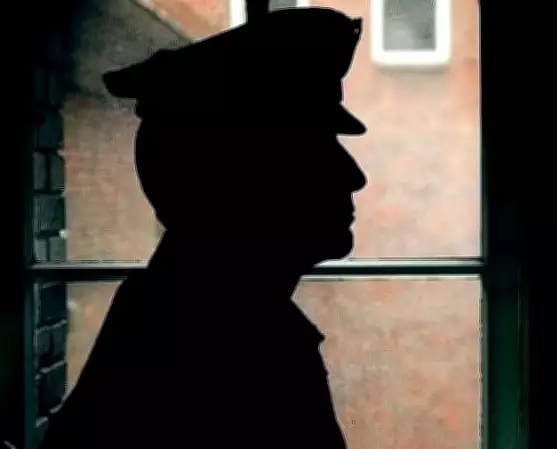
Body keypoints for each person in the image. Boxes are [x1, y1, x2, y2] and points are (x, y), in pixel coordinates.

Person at [39, 6, 367, 448]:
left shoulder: (180, 314)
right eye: (315, 149)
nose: (354, 176)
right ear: (243, 178)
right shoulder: (241, 346)